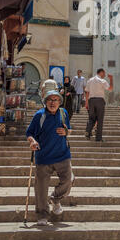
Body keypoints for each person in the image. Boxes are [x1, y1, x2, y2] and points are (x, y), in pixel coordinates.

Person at [26, 90, 73, 226]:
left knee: (68, 180)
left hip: (62, 155)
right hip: (43, 157)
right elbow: (29, 132)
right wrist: (32, 141)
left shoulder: (63, 113)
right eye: (50, 100)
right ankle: (42, 215)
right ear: (45, 102)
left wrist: (66, 132)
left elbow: (68, 130)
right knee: (41, 188)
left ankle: (55, 199)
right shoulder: (39, 115)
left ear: (59, 102)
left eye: (55, 100)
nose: (53, 102)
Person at [85, 69, 113, 142]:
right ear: (101, 72)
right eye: (104, 73)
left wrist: (86, 102)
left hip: (91, 101)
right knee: (100, 119)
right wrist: (111, 79)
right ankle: (98, 138)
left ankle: (88, 130)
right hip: (100, 101)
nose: (104, 75)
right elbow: (110, 89)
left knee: (91, 118)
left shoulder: (90, 80)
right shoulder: (102, 81)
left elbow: (87, 92)